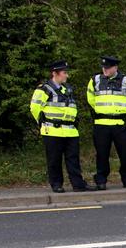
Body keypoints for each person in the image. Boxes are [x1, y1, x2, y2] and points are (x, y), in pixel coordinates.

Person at [29, 61, 92, 193]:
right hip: (52, 130)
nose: (67, 76)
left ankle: (78, 184)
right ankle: (56, 184)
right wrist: (43, 124)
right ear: (54, 73)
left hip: (70, 131)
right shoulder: (44, 89)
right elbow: (34, 108)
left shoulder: (67, 89)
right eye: (64, 73)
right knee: (54, 160)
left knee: (73, 160)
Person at [86, 55, 126, 190]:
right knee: (102, 154)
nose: (105, 70)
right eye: (103, 67)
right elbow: (90, 99)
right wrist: (102, 111)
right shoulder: (95, 80)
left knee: (125, 154)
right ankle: (101, 180)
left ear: (115, 67)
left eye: (108, 68)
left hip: (121, 124)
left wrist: (125, 113)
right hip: (102, 123)